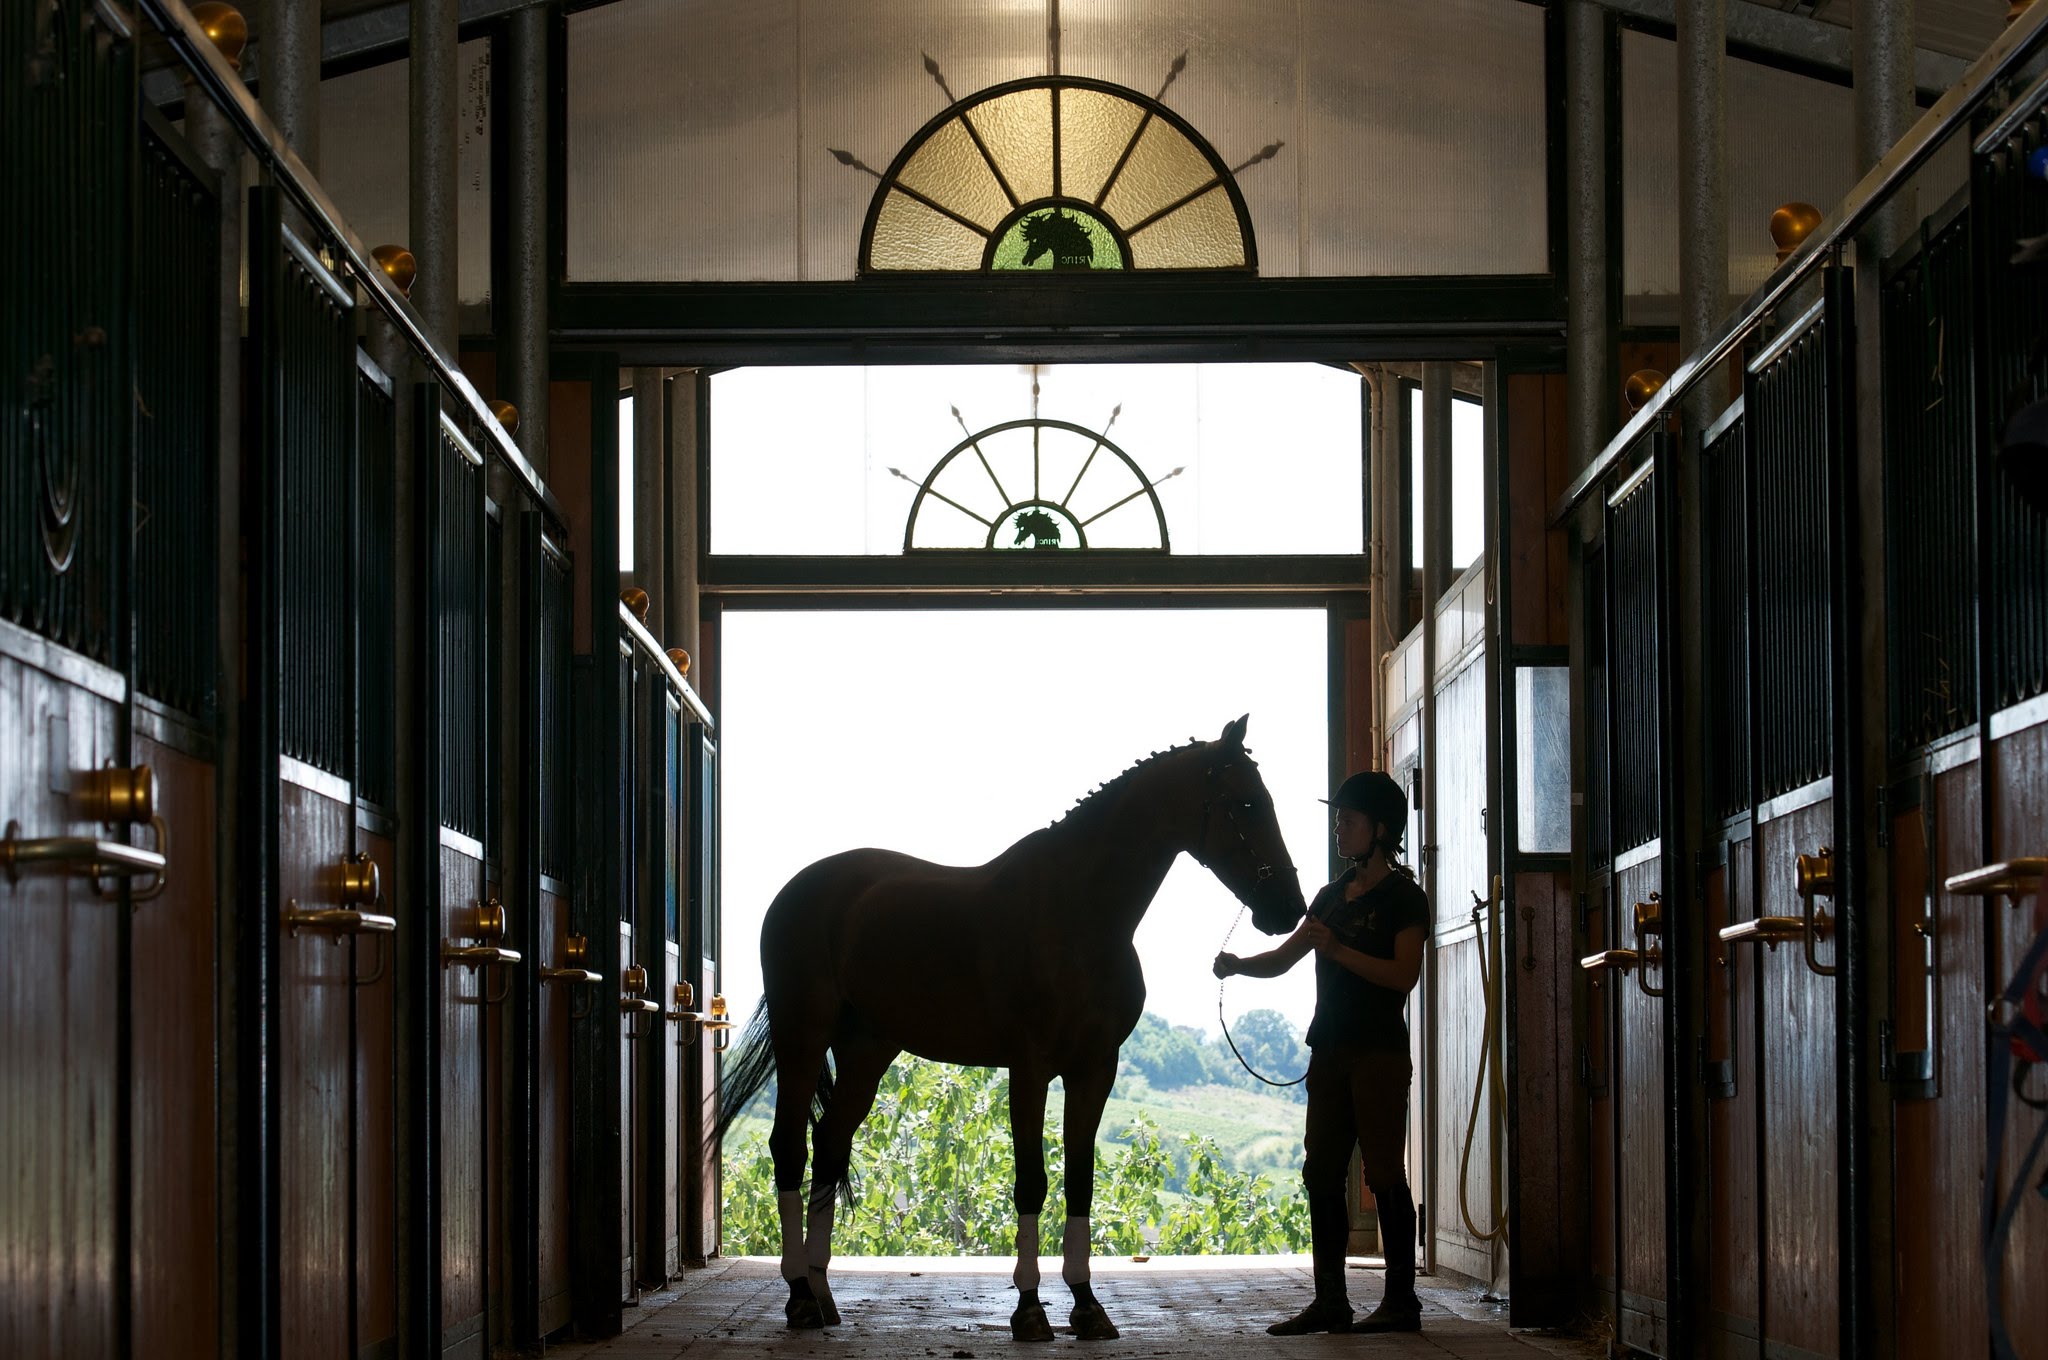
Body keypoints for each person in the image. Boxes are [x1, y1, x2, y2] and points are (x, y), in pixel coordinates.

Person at [1213, 770, 1428, 1336]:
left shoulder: (1405, 898)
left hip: (1379, 1054)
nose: (1339, 829)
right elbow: (1285, 957)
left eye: (1349, 820)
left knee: (1383, 1173)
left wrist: (1339, 949)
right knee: (1320, 1173)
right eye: (1338, 820)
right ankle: (1330, 1301)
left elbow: (1404, 975)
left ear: (1381, 830)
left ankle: (1401, 1302)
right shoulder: (1330, 897)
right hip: (1328, 1053)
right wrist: (1239, 964)